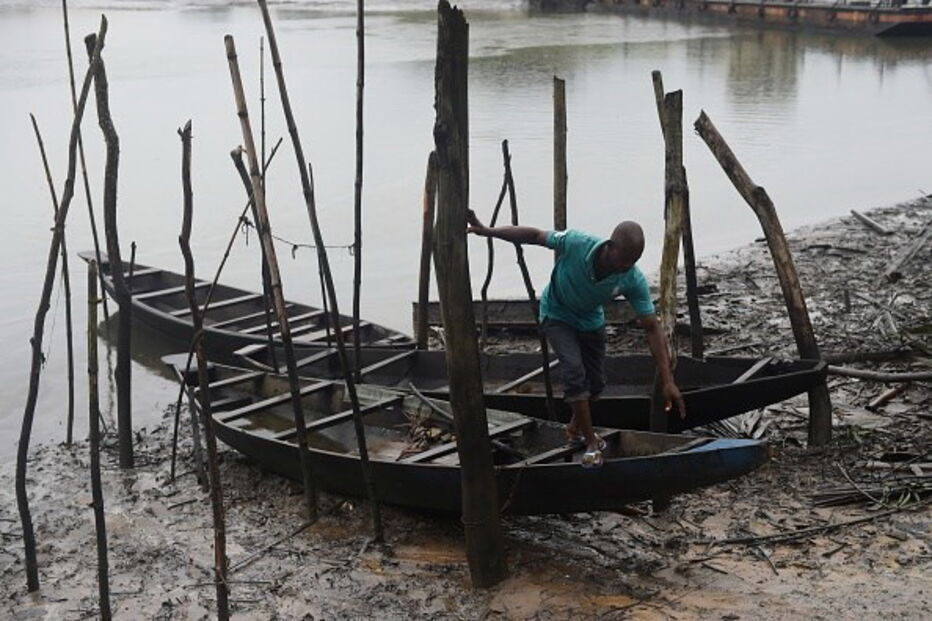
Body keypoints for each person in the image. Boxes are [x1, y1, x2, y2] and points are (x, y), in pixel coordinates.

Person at [468, 214, 686, 468]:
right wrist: (488, 231)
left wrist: (668, 380)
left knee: (595, 386)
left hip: (590, 321)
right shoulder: (576, 243)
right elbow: (534, 236)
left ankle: (574, 427)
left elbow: (651, 327)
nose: (624, 267)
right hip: (556, 313)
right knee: (574, 372)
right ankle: (591, 442)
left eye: (631, 263)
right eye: (622, 260)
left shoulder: (631, 278)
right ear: (610, 246)